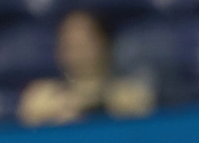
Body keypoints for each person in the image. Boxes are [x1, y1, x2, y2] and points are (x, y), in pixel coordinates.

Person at [17, 10, 156, 126]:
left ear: (105, 44)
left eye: (85, 43)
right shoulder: (42, 96)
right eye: (70, 44)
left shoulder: (131, 93)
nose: (78, 52)